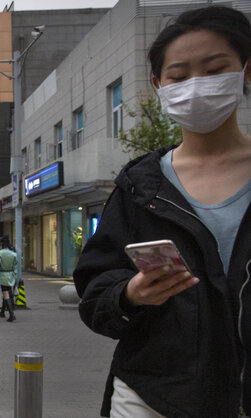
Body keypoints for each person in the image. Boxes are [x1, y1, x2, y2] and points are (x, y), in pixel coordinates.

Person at [74, 6, 251, 417]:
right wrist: (130, 294)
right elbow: (95, 289)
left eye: (213, 69)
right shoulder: (140, 186)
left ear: (244, 71)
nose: (196, 86)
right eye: (179, 75)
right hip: (153, 395)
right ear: (158, 84)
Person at [0, 236, 18, 322]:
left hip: (3, 275)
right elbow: (16, 267)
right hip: (11, 275)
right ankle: (2, 312)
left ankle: (12, 314)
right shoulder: (14, 254)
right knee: (7, 292)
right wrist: (15, 277)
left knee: (5, 293)